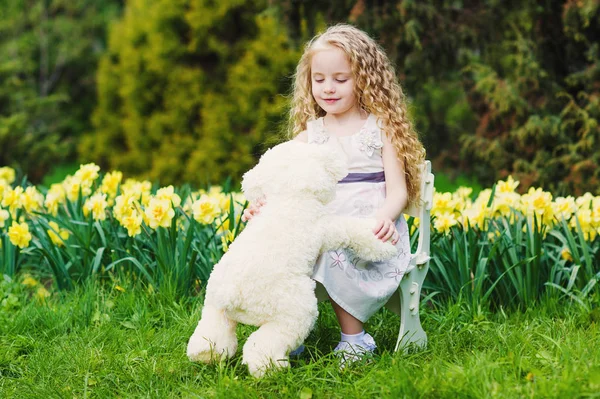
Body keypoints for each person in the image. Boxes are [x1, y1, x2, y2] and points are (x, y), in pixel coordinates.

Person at [241, 24, 425, 364]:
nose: (328, 88)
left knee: (331, 250)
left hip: (372, 230)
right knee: (288, 247)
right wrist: (261, 205)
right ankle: (288, 327)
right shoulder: (312, 134)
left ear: (364, 79)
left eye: (341, 79)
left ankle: (355, 340)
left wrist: (385, 215)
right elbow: (280, 179)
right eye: (319, 79)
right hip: (325, 225)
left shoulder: (381, 129)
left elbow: (398, 191)